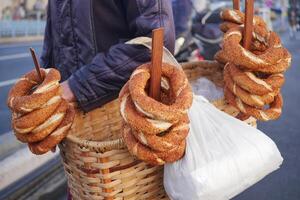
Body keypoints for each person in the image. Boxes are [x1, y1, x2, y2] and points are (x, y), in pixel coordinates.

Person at [40, 1, 175, 112]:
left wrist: (76, 86)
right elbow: (52, 42)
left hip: (121, 117)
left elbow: (157, 42)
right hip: (70, 121)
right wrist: (42, 86)